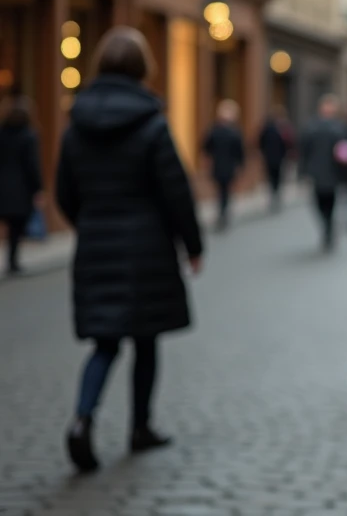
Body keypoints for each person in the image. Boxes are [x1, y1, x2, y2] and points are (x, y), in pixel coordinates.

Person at [56, 27, 203, 473]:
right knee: (145, 340)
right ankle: (141, 426)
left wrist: (92, 222)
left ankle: (83, 419)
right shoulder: (152, 123)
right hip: (146, 247)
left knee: (104, 343)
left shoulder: (75, 125)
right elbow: (175, 191)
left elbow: (65, 191)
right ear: (143, 69)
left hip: (97, 242)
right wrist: (192, 244)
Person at [0, 96, 43, 275]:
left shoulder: (2, 134)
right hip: (20, 188)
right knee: (17, 226)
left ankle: (12, 259)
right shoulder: (29, 136)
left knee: (12, 224)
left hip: (3, 186)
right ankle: (13, 259)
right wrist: (38, 188)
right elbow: (32, 164)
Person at [300, 95, 347, 251]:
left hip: (332, 171)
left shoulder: (338, 127)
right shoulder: (313, 127)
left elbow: (345, 150)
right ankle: (327, 224)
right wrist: (303, 170)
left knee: (330, 201)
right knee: (319, 201)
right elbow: (304, 150)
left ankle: (328, 225)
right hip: (319, 171)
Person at [202, 99, 244, 231]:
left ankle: (222, 211)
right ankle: (223, 211)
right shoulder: (234, 132)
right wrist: (240, 165)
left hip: (218, 166)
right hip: (228, 166)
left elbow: (206, 147)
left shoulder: (214, 131)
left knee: (221, 190)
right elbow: (240, 152)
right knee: (225, 191)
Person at [258, 106, 292, 211]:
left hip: (276, 157)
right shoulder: (275, 128)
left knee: (275, 176)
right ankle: (274, 193)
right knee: (274, 176)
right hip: (274, 157)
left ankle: (275, 193)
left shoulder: (281, 128)